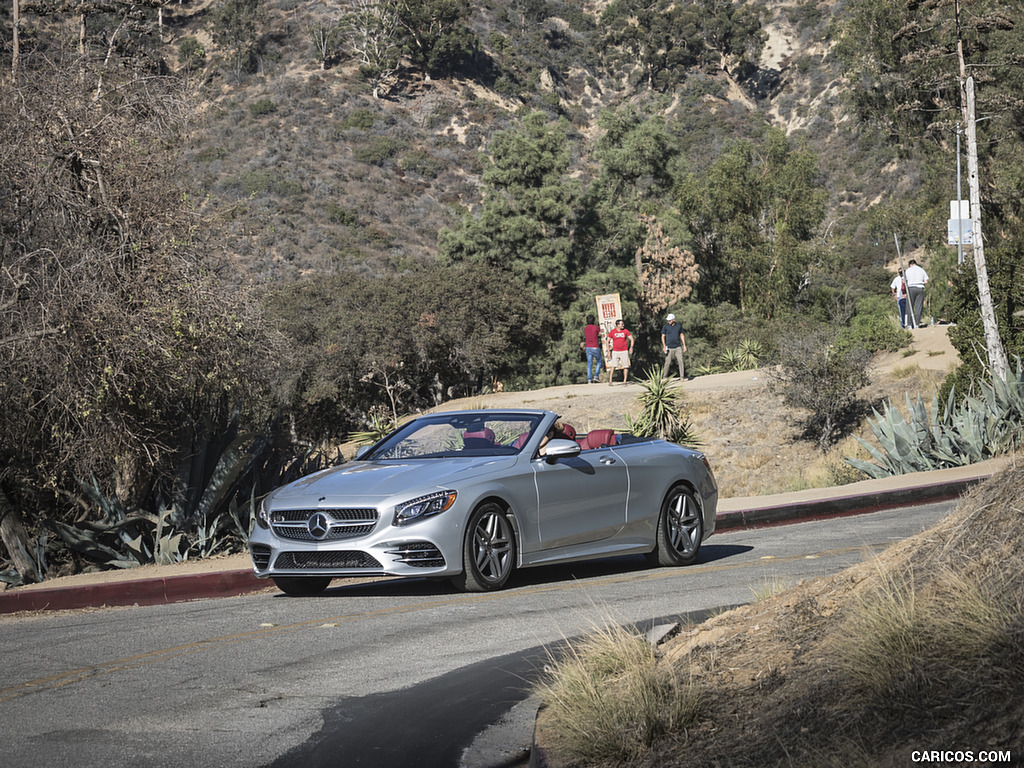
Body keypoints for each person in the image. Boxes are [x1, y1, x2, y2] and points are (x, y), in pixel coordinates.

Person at [607, 318, 634, 385]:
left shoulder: (625, 331)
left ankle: (625, 381)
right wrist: (608, 351)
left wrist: (631, 347)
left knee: (625, 366)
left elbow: (631, 339)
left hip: (624, 351)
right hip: (615, 351)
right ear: (618, 325)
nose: (623, 325)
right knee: (613, 365)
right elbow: (608, 341)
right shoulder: (612, 332)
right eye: (621, 324)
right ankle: (610, 380)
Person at [904, 259, 930, 327]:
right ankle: (917, 324)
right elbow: (926, 281)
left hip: (911, 288)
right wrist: (920, 282)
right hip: (920, 288)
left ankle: (909, 324)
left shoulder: (908, 270)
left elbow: (904, 281)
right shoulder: (921, 270)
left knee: (909, 306)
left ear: (910, 264)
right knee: (918, 307)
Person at [661, 313, 687, 378]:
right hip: (669, 347)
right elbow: (663, 336)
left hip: (678, 346)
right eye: (668, 320)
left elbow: (681, 335)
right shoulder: (666, 326)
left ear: (673, 320)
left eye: (669, 320)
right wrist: (664, 346)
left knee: (680, 361)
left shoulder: (678, 326)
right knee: (667, 363)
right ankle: (665, 376)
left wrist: (684, 345)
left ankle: (682, 376)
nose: (668, 321)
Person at [582, 314, 603, 383]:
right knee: (599, 361)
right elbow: (601, 334)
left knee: (589, 363)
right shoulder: (596, 328)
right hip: (595, 346)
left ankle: (589, 379)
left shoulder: (585, 328)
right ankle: (596, 376)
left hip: (588, 347)